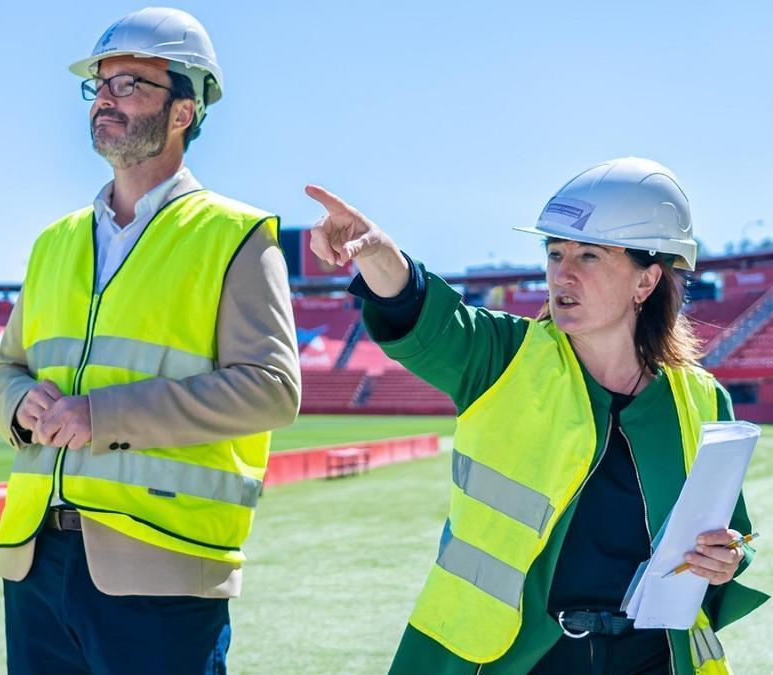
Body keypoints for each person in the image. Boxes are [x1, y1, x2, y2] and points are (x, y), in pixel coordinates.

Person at [307, 157, 768, 673]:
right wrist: (377, 251)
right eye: (554, 253)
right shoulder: (503, 357)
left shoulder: (703, 399)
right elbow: (425, 314)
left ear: (647, 281)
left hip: (655, 658)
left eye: (589, 256)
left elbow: (732, 532)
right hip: (523, 658)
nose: (562, 273)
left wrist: (728, 556)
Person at [0, 7, 300, 673]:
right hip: (35, 559)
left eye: (130, 85)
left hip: (164, 564)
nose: (106, 100)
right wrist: (18, 401)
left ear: (183, 111)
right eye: (99, 86)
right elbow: (4, 367)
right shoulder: (55, 241)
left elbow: (273, 388)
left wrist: (106, 415)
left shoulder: (235, 234)